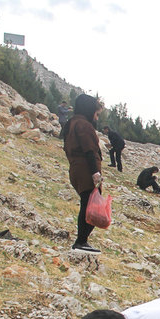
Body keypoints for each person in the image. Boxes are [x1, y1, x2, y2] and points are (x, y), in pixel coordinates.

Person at [62, 94, 104, 253]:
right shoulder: (84, 125)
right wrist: (95, 173)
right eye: (96, 113)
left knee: (87, 204)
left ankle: (81, 241)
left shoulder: (71, 123)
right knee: (91, 207)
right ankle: (81, 241)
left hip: (75, 169)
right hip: (86, 170)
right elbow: (89, 151)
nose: (96, 118)